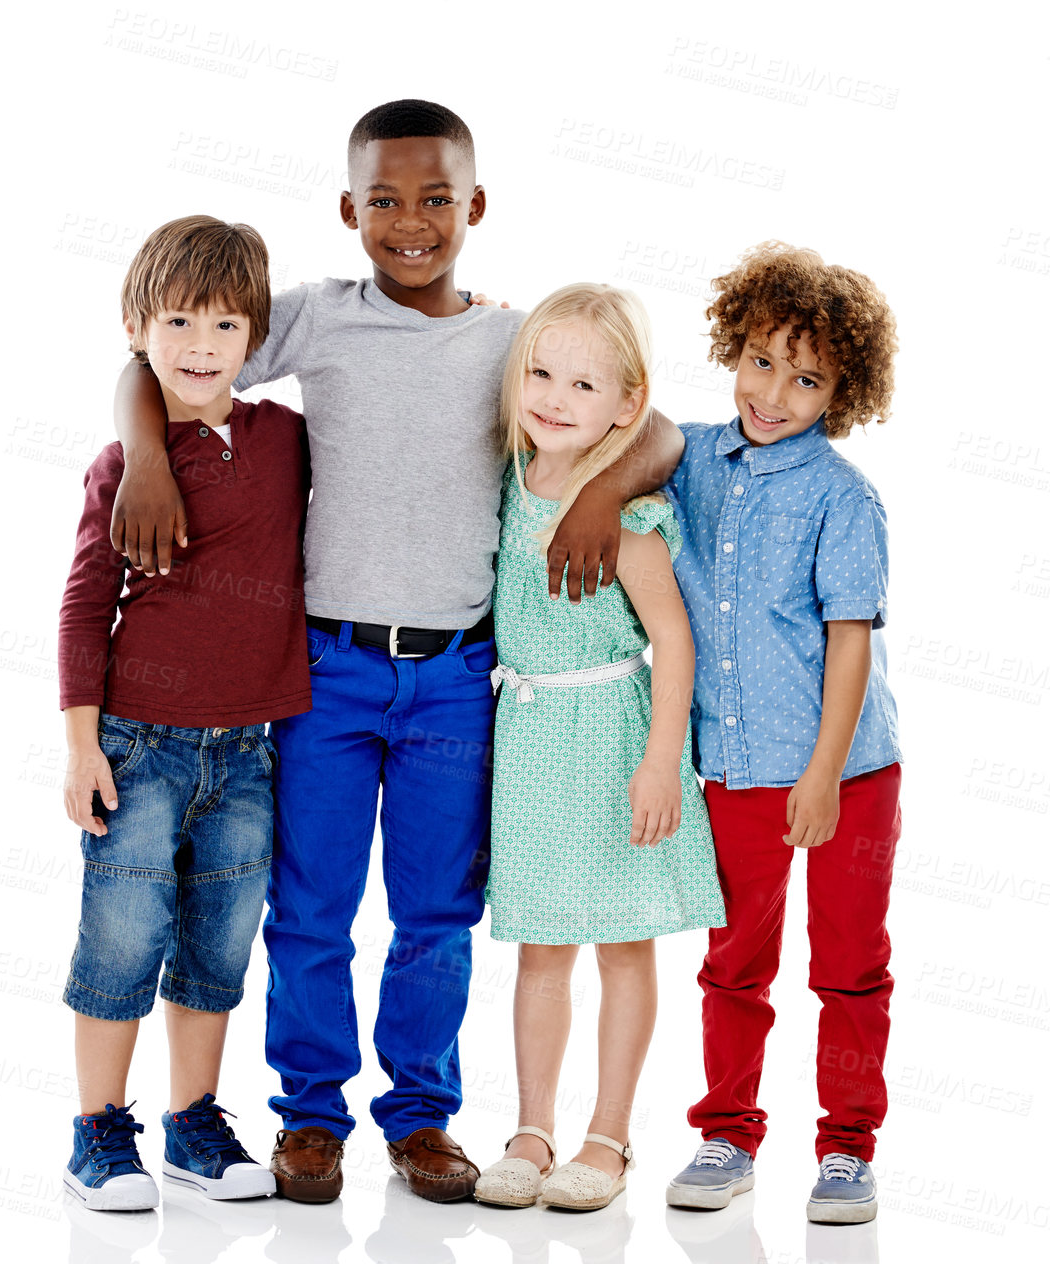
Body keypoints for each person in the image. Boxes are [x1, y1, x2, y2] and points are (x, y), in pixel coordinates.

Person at [107, 101, 684, 1204]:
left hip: (461, 680)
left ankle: (420, 1118)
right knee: (313, 907)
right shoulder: (317, 319)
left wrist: (608, 487)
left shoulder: (515, 341)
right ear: (348, 209)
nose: (410, 222)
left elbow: (658, 427)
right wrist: (144, 449)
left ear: (474, 206)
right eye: (384, 201)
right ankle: (310, 1119)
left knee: (435, 915)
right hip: (327, 672)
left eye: (434, 200)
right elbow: (162, 352)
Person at [56, 215, 308, 1210]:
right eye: (178, 322)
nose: (201, 346)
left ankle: (192, 1120)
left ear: (256, 336)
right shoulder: (124, 464)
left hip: (253, 749)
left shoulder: (288, 441)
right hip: (141, 747)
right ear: (137, 324)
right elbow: (84, 604)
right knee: (121, 936)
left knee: (219, 941)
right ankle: (95, 1131)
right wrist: (81, 746)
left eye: (225, 324)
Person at [661, 242, 902, 1224]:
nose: (775, 392)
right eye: (762, 361)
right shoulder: (689, 460)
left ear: (841, 391)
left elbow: (849, 648)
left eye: (807, 378)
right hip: (730, 765)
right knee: (734, 959)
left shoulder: (843, 498)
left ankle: (847, 1148)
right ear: (734, 347)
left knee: (848, 961)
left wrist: (822, 774)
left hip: (845, 769)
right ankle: (727, 1132)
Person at [472, 283, 725, 1213]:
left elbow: (673, 640)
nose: (551, 397)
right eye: (538, 372)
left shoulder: (630, 513)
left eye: (582, 384)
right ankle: (532, 1127)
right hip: (531, 739)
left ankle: (608, 1135)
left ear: (627, 404)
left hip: (611, 736)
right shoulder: (508, 476)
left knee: (623, 946)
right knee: (541, 948)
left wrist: (662, 762)